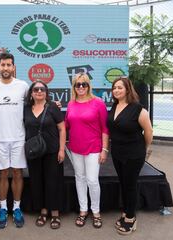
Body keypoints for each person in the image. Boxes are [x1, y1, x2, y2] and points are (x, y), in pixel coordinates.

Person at [0, 53, 29, 229]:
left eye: (9, 65)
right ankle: (3, 209)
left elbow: (34, 102)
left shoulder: (23, 86)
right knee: (2, 174)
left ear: (13, 67)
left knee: (18, 173)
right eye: (2, 65)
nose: (5, 68)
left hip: (19, 138)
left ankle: (16, 208)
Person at [107, 77, 153, 235]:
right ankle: (127, 211)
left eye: (120, 87)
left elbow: (148, 131)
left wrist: (145, 148)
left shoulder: (139, 109)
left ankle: (130, 219)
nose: (116, 90)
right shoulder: (114, 106)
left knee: (130, 185)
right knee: (123, 183)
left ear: (128, 89)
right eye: (114, 88)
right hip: (118, 152)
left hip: (134, 154)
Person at [65, 73, 109, 229]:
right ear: (74, 87)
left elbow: (105, 129)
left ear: (89, 85)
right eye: (78, 84)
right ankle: (83, 210)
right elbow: (66, 126)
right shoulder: (71, 104)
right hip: (76, 148)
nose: (81, 87)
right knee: (80, 178)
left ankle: (95, 212)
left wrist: (104, 149)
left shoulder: (98, 103)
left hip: (93, 148)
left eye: (84, 84)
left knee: (92, 180)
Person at [23, 80, 66, 229]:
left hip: (52, 152)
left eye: (42, 89)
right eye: (36, 89)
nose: (39, 91)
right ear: (31, 93)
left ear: (46, 92)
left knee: (53, 181)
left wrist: (61, 150)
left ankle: (54, 212)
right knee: (37, 181)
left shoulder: (53, 107)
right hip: (34, 152)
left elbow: (62, 129)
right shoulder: (26, 109)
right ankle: (43, 210)